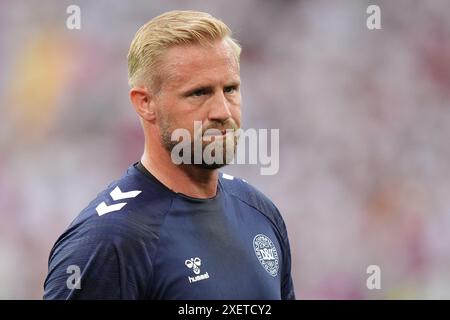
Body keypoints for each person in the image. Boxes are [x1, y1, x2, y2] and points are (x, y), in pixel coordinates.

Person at [43, 10, 295, 300]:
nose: (223, 112)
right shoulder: (109, 242)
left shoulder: (259, 212)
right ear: (145, 103)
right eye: (199, 93)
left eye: (230, 89)